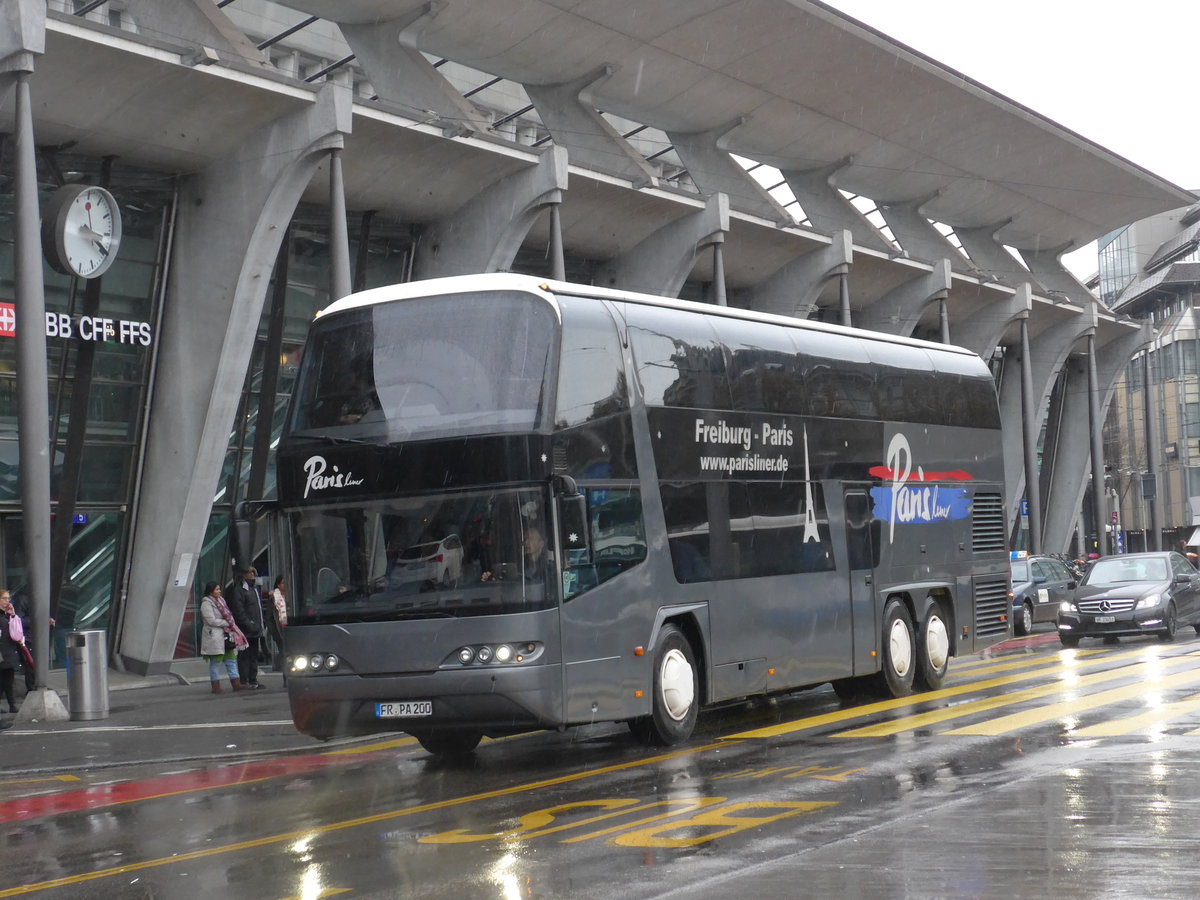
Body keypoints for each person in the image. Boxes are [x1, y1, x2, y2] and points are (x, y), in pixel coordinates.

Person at [199, 582, 247, 693]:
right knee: (216, 662)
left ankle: (236, 684)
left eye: (219, 589)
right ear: (211, 591)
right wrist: (226, 623)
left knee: (231, 660)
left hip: (226, 636)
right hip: (214, 636)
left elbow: (228, 614)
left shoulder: (221, 600)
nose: (219, 591)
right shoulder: (206, 603)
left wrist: (229, 623)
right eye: (217, 589)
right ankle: (215, 687)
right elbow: (210, 620)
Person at [227, 566, 266, 690]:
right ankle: (244, 680)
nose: (253, 575)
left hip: (255, 630)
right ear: (244, 575)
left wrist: (259, 626)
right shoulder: (239, 590)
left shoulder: (253, 589)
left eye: (254, 573)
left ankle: (253, 679)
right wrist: (249, 625)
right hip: (245, 631)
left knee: (253, 655)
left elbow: (257, 609)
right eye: (250, 573)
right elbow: (239, 612)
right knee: (244, 656)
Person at [0, 591, 27, 713]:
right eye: (4, 598)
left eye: (8, 598)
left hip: (9, 649)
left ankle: (12, 704)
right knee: (3, 680)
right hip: (3, 651)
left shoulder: (7, 615)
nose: (7, 601)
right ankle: (11, 704)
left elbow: (16, 632)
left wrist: (12, 615)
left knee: (8, 679)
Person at [266, 575, 288, 680]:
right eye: (283, 582)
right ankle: (286, 677)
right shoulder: (273, 598)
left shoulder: (293, 595)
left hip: (291, 628)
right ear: (278, 585)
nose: (285, 585)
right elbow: (269, 618)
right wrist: (274, 633)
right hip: (280, 630)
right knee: (284, 653)